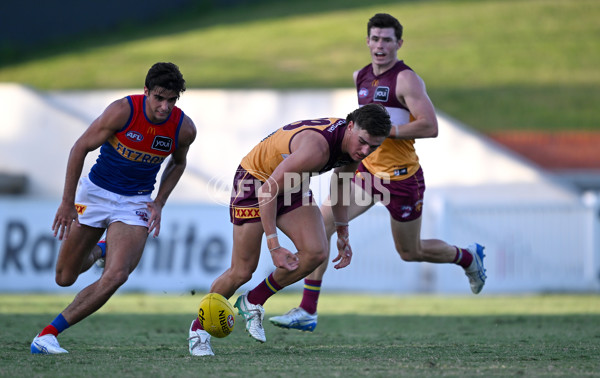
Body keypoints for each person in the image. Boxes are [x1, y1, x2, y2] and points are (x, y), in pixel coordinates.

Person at [269, 13, 487, 332]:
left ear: (399, 43)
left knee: (410, 252)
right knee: (322, 224)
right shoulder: (361, 76)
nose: (380, 46)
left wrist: (389, 131)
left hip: (401, 178)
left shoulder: (406, 80)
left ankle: (468, 258)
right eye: (375, 39)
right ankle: (308, 310)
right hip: (367, 174)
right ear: (367, 41)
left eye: (387, 40)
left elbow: (430, 125)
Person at [188, 103, 392, 356]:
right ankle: (199, 331)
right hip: (256, 181)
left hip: (292, 183)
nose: (365, 151)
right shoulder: (318, 148)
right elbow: (268, 191)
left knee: (316, 252)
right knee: (242, 271)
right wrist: (274, 246)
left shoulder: (352, 147)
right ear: (350, 127)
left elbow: (340, 187)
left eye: (373, 147)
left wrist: (343, 232)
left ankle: (253, 301)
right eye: (362, 142)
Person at [30, 62, 197, 354]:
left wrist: (159, 202)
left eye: (171, 100)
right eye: (159, 97)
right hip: (96, 194)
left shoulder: (183, 128)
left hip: (136, 201)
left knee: (117, 275)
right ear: (146, 91)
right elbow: (80, 147)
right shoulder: (122, 111)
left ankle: (48, 334)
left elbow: (179, 162)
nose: (164, 106)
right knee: (65, 276)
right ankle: (104, 248)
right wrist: (67, 202)